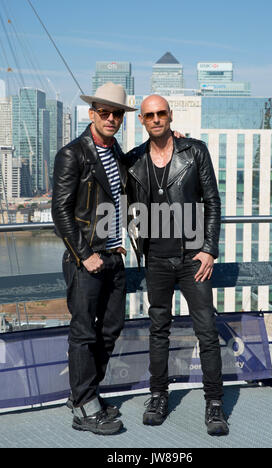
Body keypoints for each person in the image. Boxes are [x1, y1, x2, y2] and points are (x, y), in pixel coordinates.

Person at [126, 94, 229, 436]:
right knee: (158, 330)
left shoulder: (194, 151)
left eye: (161, 113)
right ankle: (158, 396)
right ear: (142, 120)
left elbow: (212, 201)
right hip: (155, 258)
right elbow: (114, 187)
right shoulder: (134, 160)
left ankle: (214, 402)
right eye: (149, 115)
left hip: (192, 258)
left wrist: (210, 249)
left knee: (206, 331)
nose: (156, 119)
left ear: (170, 116)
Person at [51, 82, 137, 436]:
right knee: (84, 332)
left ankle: (84, 394)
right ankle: (85, 407)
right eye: (105, 112)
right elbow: (61, 212)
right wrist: (84, 256)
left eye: (117, 113)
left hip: (115, 256)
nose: (111, 118)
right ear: (92, 114)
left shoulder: (117, 151)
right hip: (86, 259)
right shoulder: (73, 154)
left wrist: (172, 138)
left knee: (112, 328)